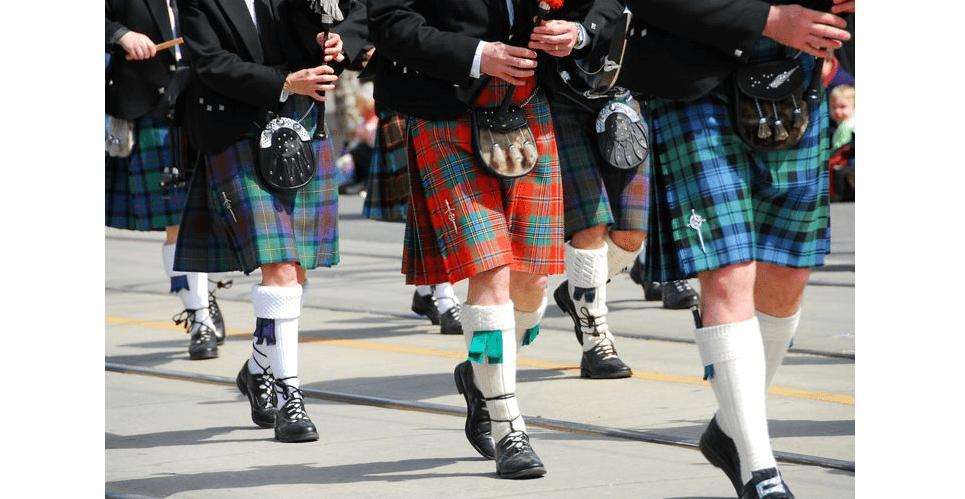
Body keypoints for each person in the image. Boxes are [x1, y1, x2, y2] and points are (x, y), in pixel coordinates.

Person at [622, 0, 855, 497]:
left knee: (786, 278)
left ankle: (729, 430)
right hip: (696, 79)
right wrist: (767, 20)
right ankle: (759, 470)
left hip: (795, 75)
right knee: (728, 273)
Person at [368, 0, 566, 478]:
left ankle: (480, 375)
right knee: (491, 269)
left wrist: (575, 32)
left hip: (526, 105)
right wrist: (478, 54)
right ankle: (508, 428)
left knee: (532, 283)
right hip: (444, 109)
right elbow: (390, 21)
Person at [173, 0, 364, 443]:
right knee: (278, 267)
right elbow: (210, 61)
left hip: (300, 126)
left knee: (294, 272)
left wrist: (336, 41)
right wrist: (283, 82)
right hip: (236, 133)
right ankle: (289, 398)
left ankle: (259, 365)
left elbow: (362, 13)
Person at [106, 0, 229, 361]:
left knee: (209, 219)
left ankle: (200, 295)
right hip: (152, 107)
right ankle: (200, 319)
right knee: (177, 222)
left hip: (206, 106)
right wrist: (121, 34)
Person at [526, 0, 641, 380]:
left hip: (620, 91)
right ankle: (597, 341)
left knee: (630, 235)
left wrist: (582, 30)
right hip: (555, 96)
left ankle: (577, 288)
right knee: (590, 225)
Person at [829, 84, 854, 150]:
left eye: (842, 106)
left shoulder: (844, 128)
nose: (837, 111)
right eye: (834, 107)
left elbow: (838, 153)